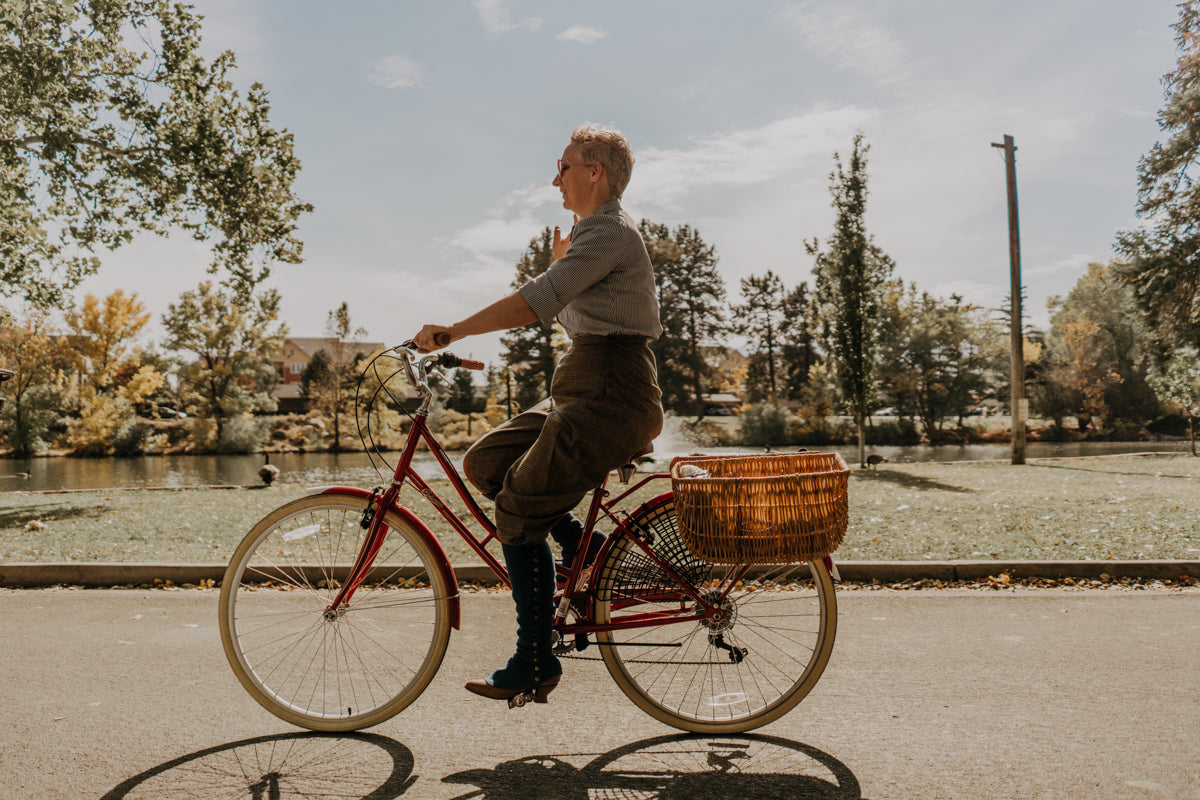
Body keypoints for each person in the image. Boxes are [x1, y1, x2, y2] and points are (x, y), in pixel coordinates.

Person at [413, 124, 663, 704]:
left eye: (565, 166)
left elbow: (534, 302)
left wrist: (454, 327)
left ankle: (533, 660)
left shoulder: (609, 234)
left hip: (610, 391)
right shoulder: (590, 237)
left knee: (519, 510)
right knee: (487, 462)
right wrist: (566, 261)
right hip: (582, 384)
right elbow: (568, 303)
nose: (555, 178)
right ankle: (584, 548)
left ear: (594, 172)